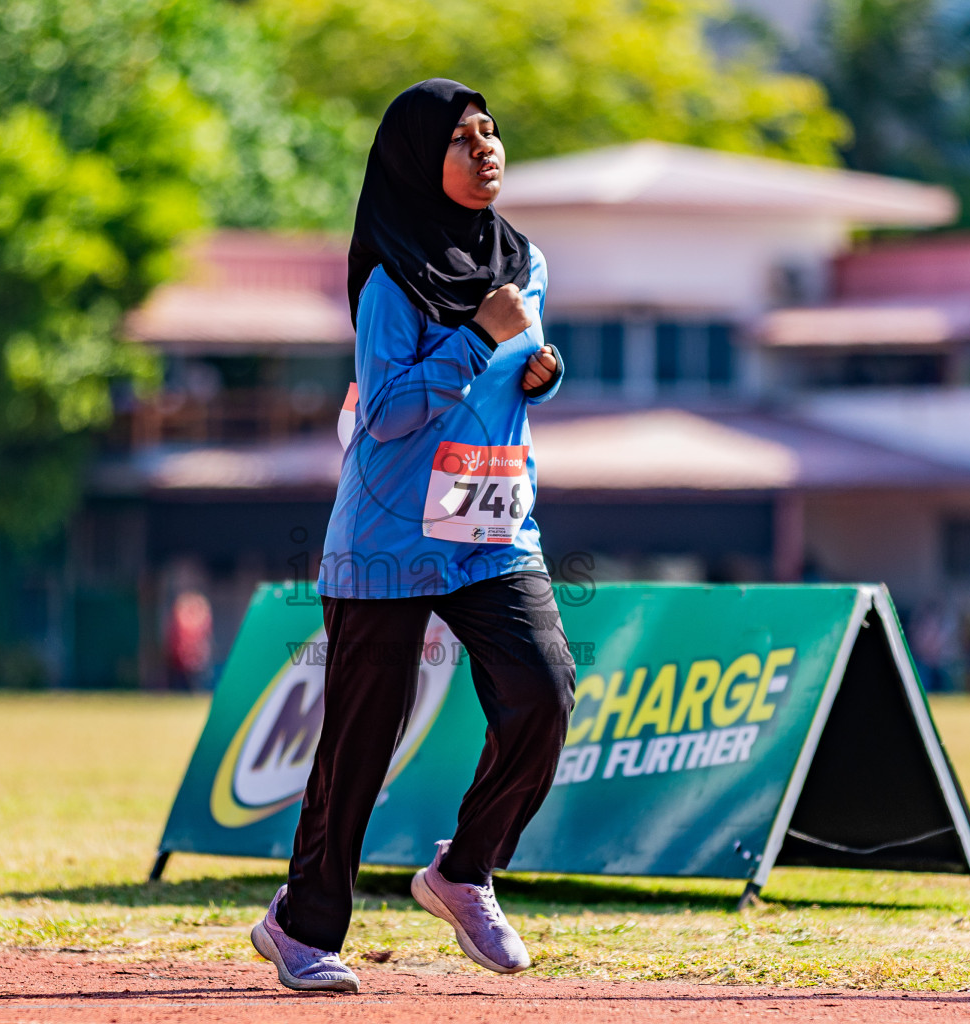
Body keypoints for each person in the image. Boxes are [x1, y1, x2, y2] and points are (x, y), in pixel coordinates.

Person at [249, 79, 575, 994]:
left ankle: (464, 872)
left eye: (491, 131)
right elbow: (387, 411)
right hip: (389, 535)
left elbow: (510, 372)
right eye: (462, 138)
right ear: (415, 160)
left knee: (545, 691)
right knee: (360, 743)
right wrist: (480, 338)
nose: (486, 148)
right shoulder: (391, 277)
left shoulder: (526, 261)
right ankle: (302, 929)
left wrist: (540, 372)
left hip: (493, 530)